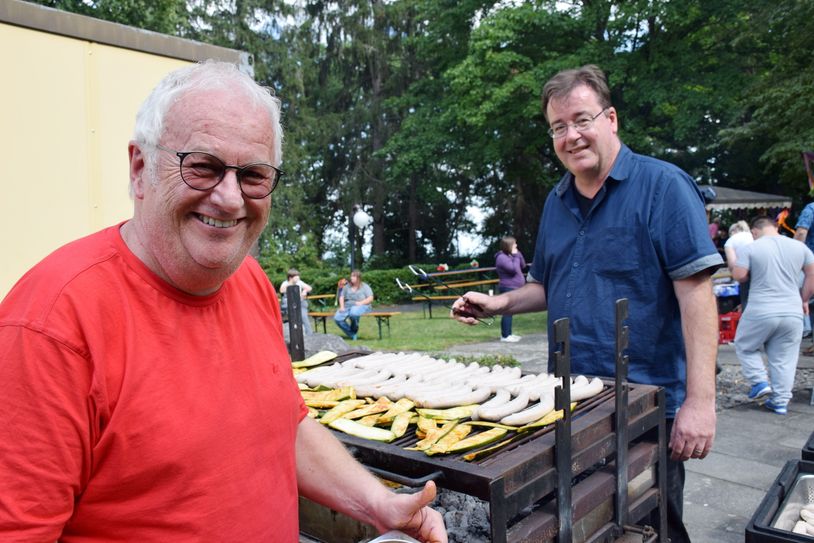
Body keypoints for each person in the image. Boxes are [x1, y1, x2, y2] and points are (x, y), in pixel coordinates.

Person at [0, 61, 446, 542]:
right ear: (140, 168)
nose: (230, 198)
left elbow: (284, 427)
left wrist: (378, 504)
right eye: (203, 167)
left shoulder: (248, 279)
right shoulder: (50, 327)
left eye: (253, 175)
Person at [451, 64, 721, 542]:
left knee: (652, 519)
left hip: (647, 402)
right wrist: (498, 303)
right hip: (573, 400)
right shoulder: (557, 202)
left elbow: (697, 297)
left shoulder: (663, 187)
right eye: (559, 127)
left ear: (611, 119)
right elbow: (549, 288)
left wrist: (701, 403)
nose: (571, 136)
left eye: (581, 120)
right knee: (587, 521)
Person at [732, 216, 814, 414]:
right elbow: (812, 275)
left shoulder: (752, 248)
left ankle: (759, 381)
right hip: (793, 310)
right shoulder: (800, 248)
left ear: (754, 231)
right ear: (775, 227)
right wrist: (803, 299)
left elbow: (739, 275)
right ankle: (780, 401)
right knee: (785, 357)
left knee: (745, 345)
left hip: (761, 309)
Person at [494, 235, 526, 342]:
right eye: (514, 244)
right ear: (509, 245)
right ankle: (505, 336)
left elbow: (522, 265)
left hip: (514, 287)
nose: (516, 245)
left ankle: (509, 334)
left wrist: (518, 254)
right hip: (507, 287)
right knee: (507, 311)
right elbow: (513, 269)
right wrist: (516, 256)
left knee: (510, 311)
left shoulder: (511, 256)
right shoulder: (501, 257)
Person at [334, 269, 374, 340]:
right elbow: (341, 296)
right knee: (337, 318)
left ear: (358, 278)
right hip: (348, 305)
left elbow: (370, 298)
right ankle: (352, 333)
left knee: (353, 313)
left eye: (353, 276)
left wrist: (361, 303)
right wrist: (342, 307)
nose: (351, 277)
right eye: (351, 276)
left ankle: (354, 330)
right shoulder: (347, 286)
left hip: (362, 305)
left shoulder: (365, 286)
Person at [724, 220, 754, 309]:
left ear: (733, 231)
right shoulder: (753, 236)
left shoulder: (731, 241)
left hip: (746, 272)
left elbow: (732, 264)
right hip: (763, 272)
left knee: (746, 302)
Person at [280, 267, 314, 334]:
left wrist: (305, 290)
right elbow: (281, 290)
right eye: (296, 276)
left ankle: (309, 334)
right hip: (288, 304)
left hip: (300, 303)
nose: (298, 278)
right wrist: (290, 283)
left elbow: (309, 288)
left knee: (303, 316)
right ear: (290, 277)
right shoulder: (285, 283)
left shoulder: (299, 282)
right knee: (293, 316)